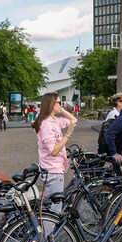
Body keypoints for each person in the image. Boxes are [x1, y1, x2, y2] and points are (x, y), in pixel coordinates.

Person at [33, 92, 78, 230]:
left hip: (54, 169)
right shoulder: (47, 124)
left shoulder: (54, 120)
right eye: (59, 102)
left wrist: (61, 109)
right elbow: (53, 150)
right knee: (54, 210)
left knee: (50, 206)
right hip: (52, 170)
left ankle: (45, 238)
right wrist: (68, 135)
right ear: (52, 104)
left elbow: (74, 120)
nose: (62, 105)